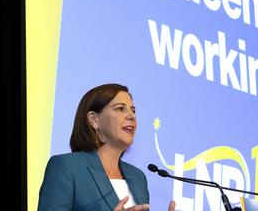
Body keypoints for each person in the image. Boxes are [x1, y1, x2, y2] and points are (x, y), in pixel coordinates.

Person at [38, 83, 176, 211]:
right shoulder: (66, 167)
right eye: (120, 108)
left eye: (133, 110)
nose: (131, 116)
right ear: (94, 119)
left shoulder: (138, 177)